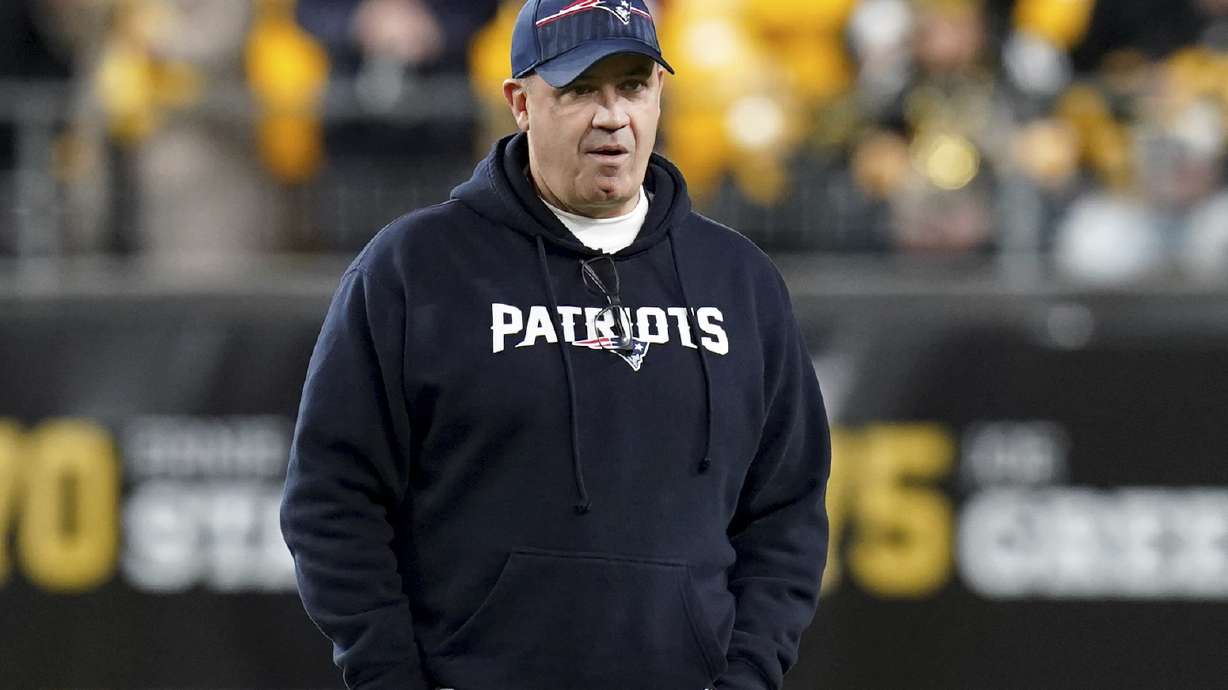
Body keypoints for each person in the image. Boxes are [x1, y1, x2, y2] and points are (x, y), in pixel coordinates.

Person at [279, 1, 832, 689]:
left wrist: (747, 675)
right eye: (580, 89)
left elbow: (787, 509)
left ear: (660, 93)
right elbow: (333, 498)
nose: (612, 116)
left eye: (633, 86)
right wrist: (390, 676)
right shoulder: (417, 268)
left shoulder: (740, 280)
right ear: (520, 102)